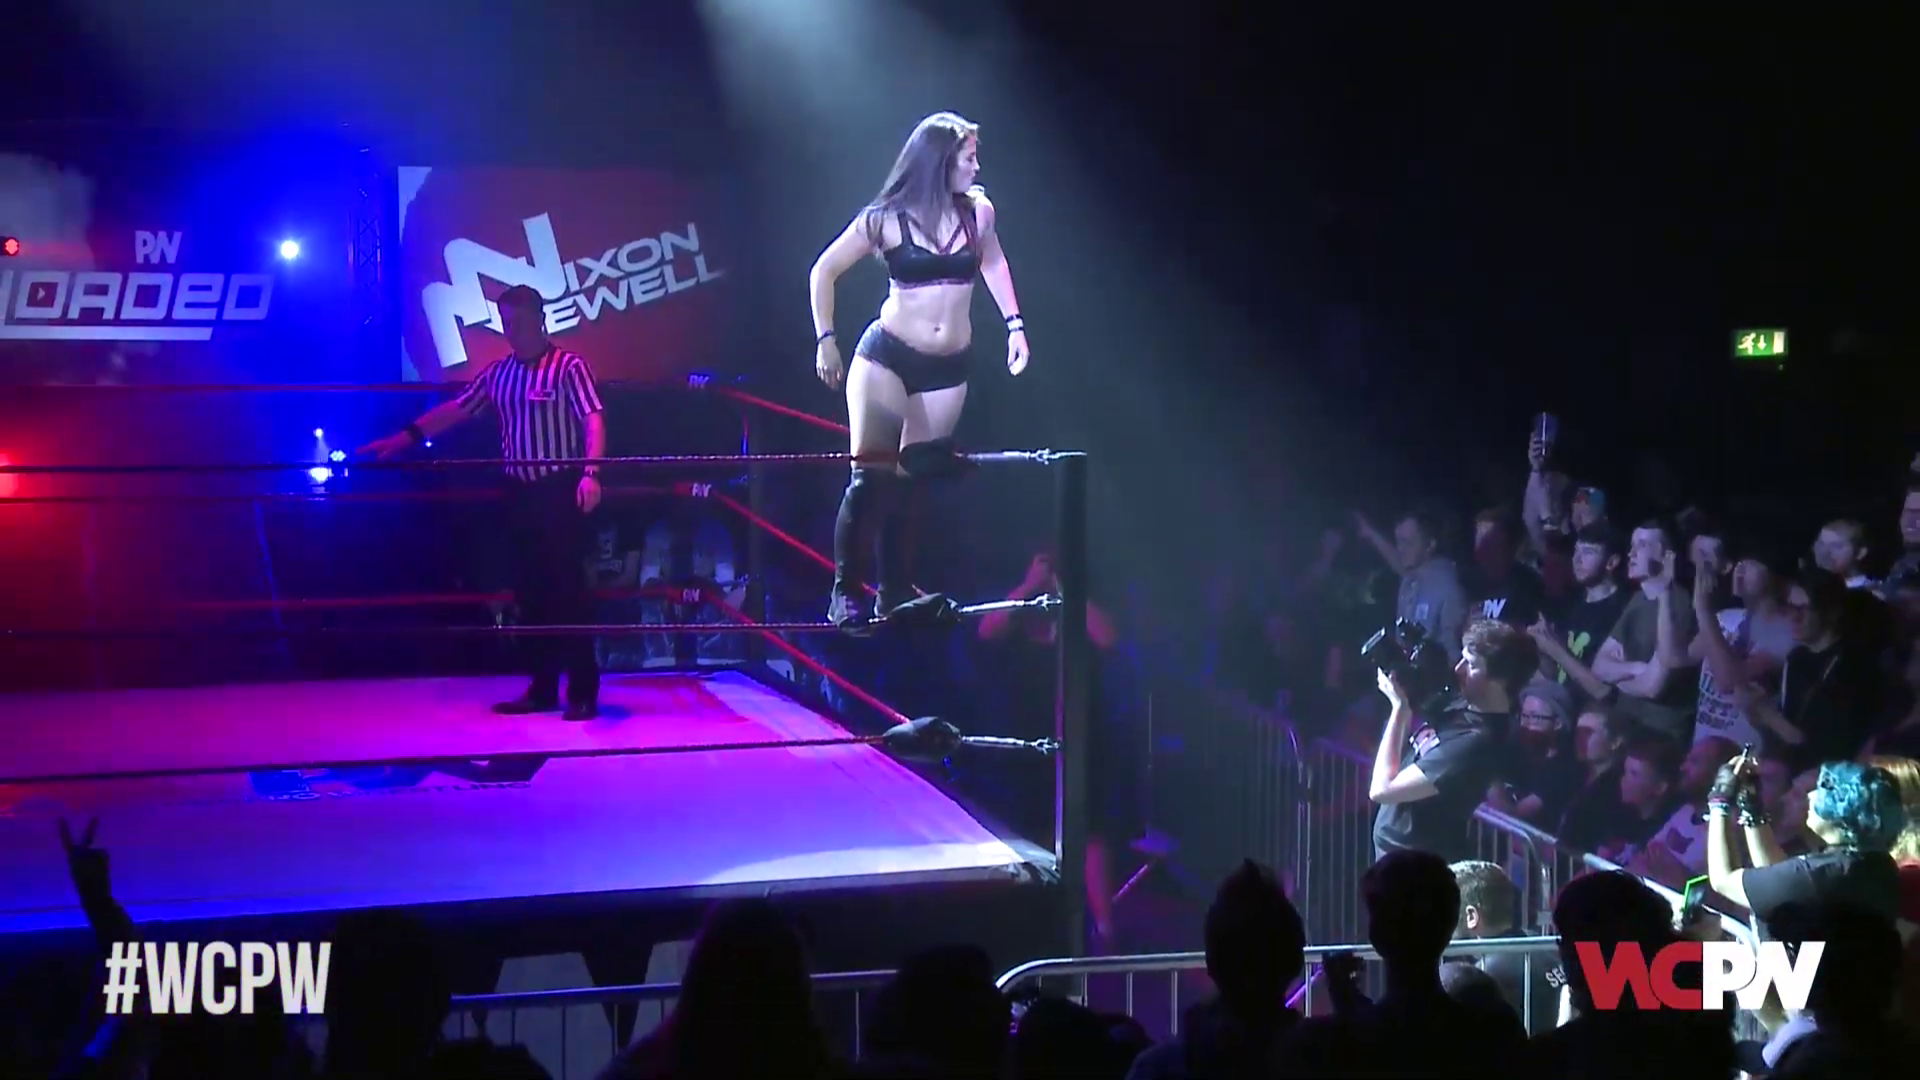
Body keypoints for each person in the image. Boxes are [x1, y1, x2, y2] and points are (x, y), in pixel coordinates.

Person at [807, 111, 1030, 631]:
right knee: (871, 479)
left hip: (947, 366)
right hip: (887, 356)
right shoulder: (884, 219)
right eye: (969, 158)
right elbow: (824, 270)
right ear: (940, 163)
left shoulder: (979, 213)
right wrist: (826, 340)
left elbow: (993, 263)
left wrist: (1015, 326)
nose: (977, 167)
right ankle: (845, 592)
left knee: (913, 479)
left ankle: (893, 591)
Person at [359, 284, 607, 720]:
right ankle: (542, 687)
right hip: (519, 492)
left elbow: (593, 420)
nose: (513, 331)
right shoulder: (499, 374)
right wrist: (403, 438)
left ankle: (583, 691)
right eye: (507, 323)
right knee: (530, 592)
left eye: (519, 322)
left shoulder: (569, 366)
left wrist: (591, 472)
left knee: (568, 589)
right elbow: (455, 410)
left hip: (559, 488)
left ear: (539, 319)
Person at [1370, 618, 1539, 864]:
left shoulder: (1477, 742)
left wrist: (1399, 708)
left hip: (1415, 866)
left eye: (1471, 665)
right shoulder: (1462, 704)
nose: (1458, 669)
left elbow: (1382, 790)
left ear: (1500, 680)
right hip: (1397, 853)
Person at [1705, 755, 1906, 938]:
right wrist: (1751, 805)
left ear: (1844, 811)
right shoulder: (1876, 865)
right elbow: (1777, 873)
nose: (1810, 795)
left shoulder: (1818, 876)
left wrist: (1719, 801)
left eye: (1823, 790)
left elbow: (1724, 880)